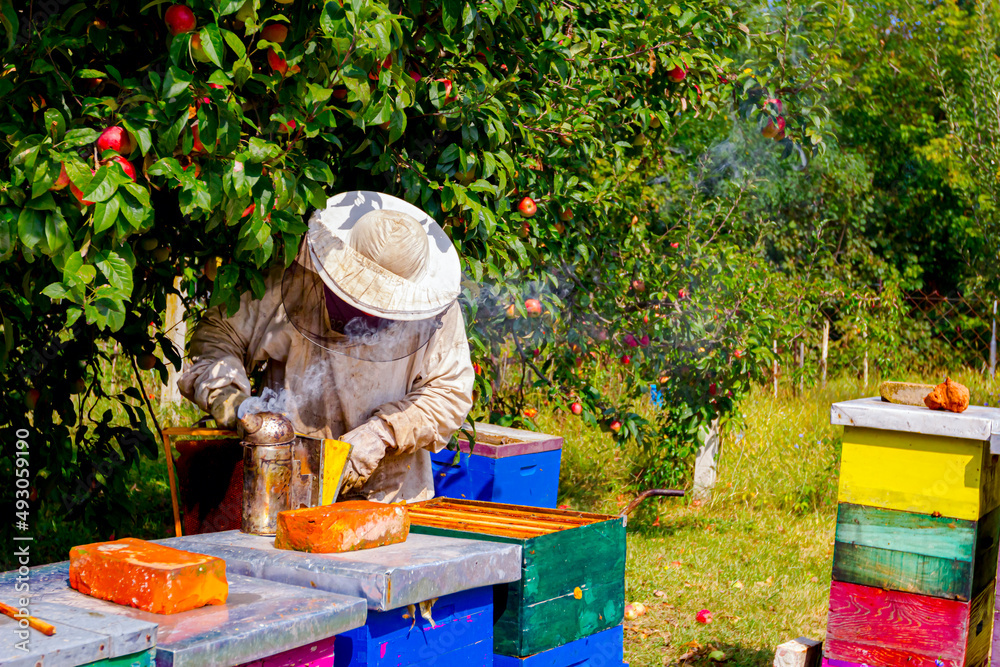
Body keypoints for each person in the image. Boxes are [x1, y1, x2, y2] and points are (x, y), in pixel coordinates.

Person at [178, 191, 474, 503]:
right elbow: (217, 339)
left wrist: (384, 433)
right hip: (286, 481)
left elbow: (449, 391)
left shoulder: (431, 308)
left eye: (383, 306)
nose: (368, 312)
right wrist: (237, 405)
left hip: (390, 496)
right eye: (359, 298)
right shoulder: (293, 278)